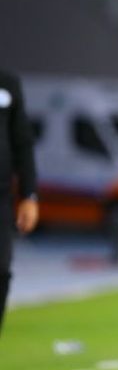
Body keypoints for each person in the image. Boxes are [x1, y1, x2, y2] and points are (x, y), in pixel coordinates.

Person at [0, 70, 38, 337]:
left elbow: (22, 143)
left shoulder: (7, 84)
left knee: (1, 270)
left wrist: (29, 195)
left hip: (1, 197)